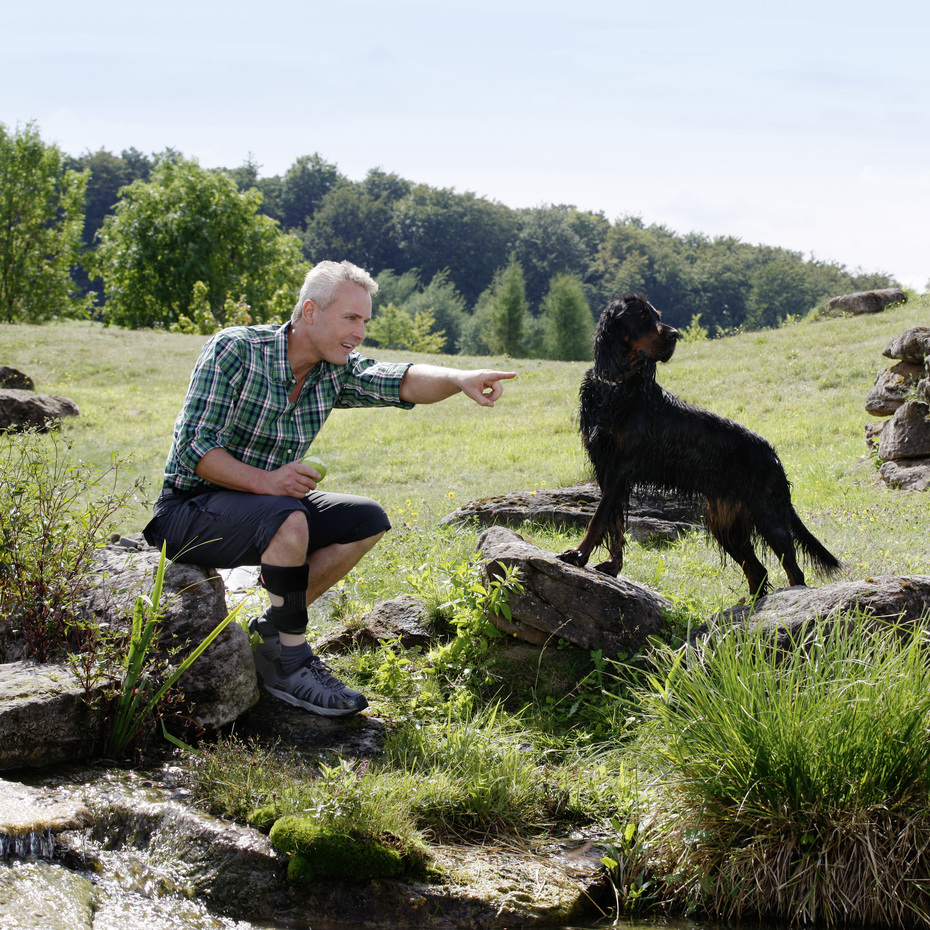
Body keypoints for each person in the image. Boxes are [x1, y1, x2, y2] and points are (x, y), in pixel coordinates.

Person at [144, 260, 516, 717]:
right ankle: (292, 663)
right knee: (288, 515)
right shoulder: (236, 350)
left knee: (366, 519)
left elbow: (399, 380)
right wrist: (269, 482)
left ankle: (274, 637)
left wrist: (459, 380)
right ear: (310, 312)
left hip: (265, 509)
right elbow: (193, 448)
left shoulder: (332, 370)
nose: (360, 332)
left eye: (365, 321)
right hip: (187, 512)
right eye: (351, 318)